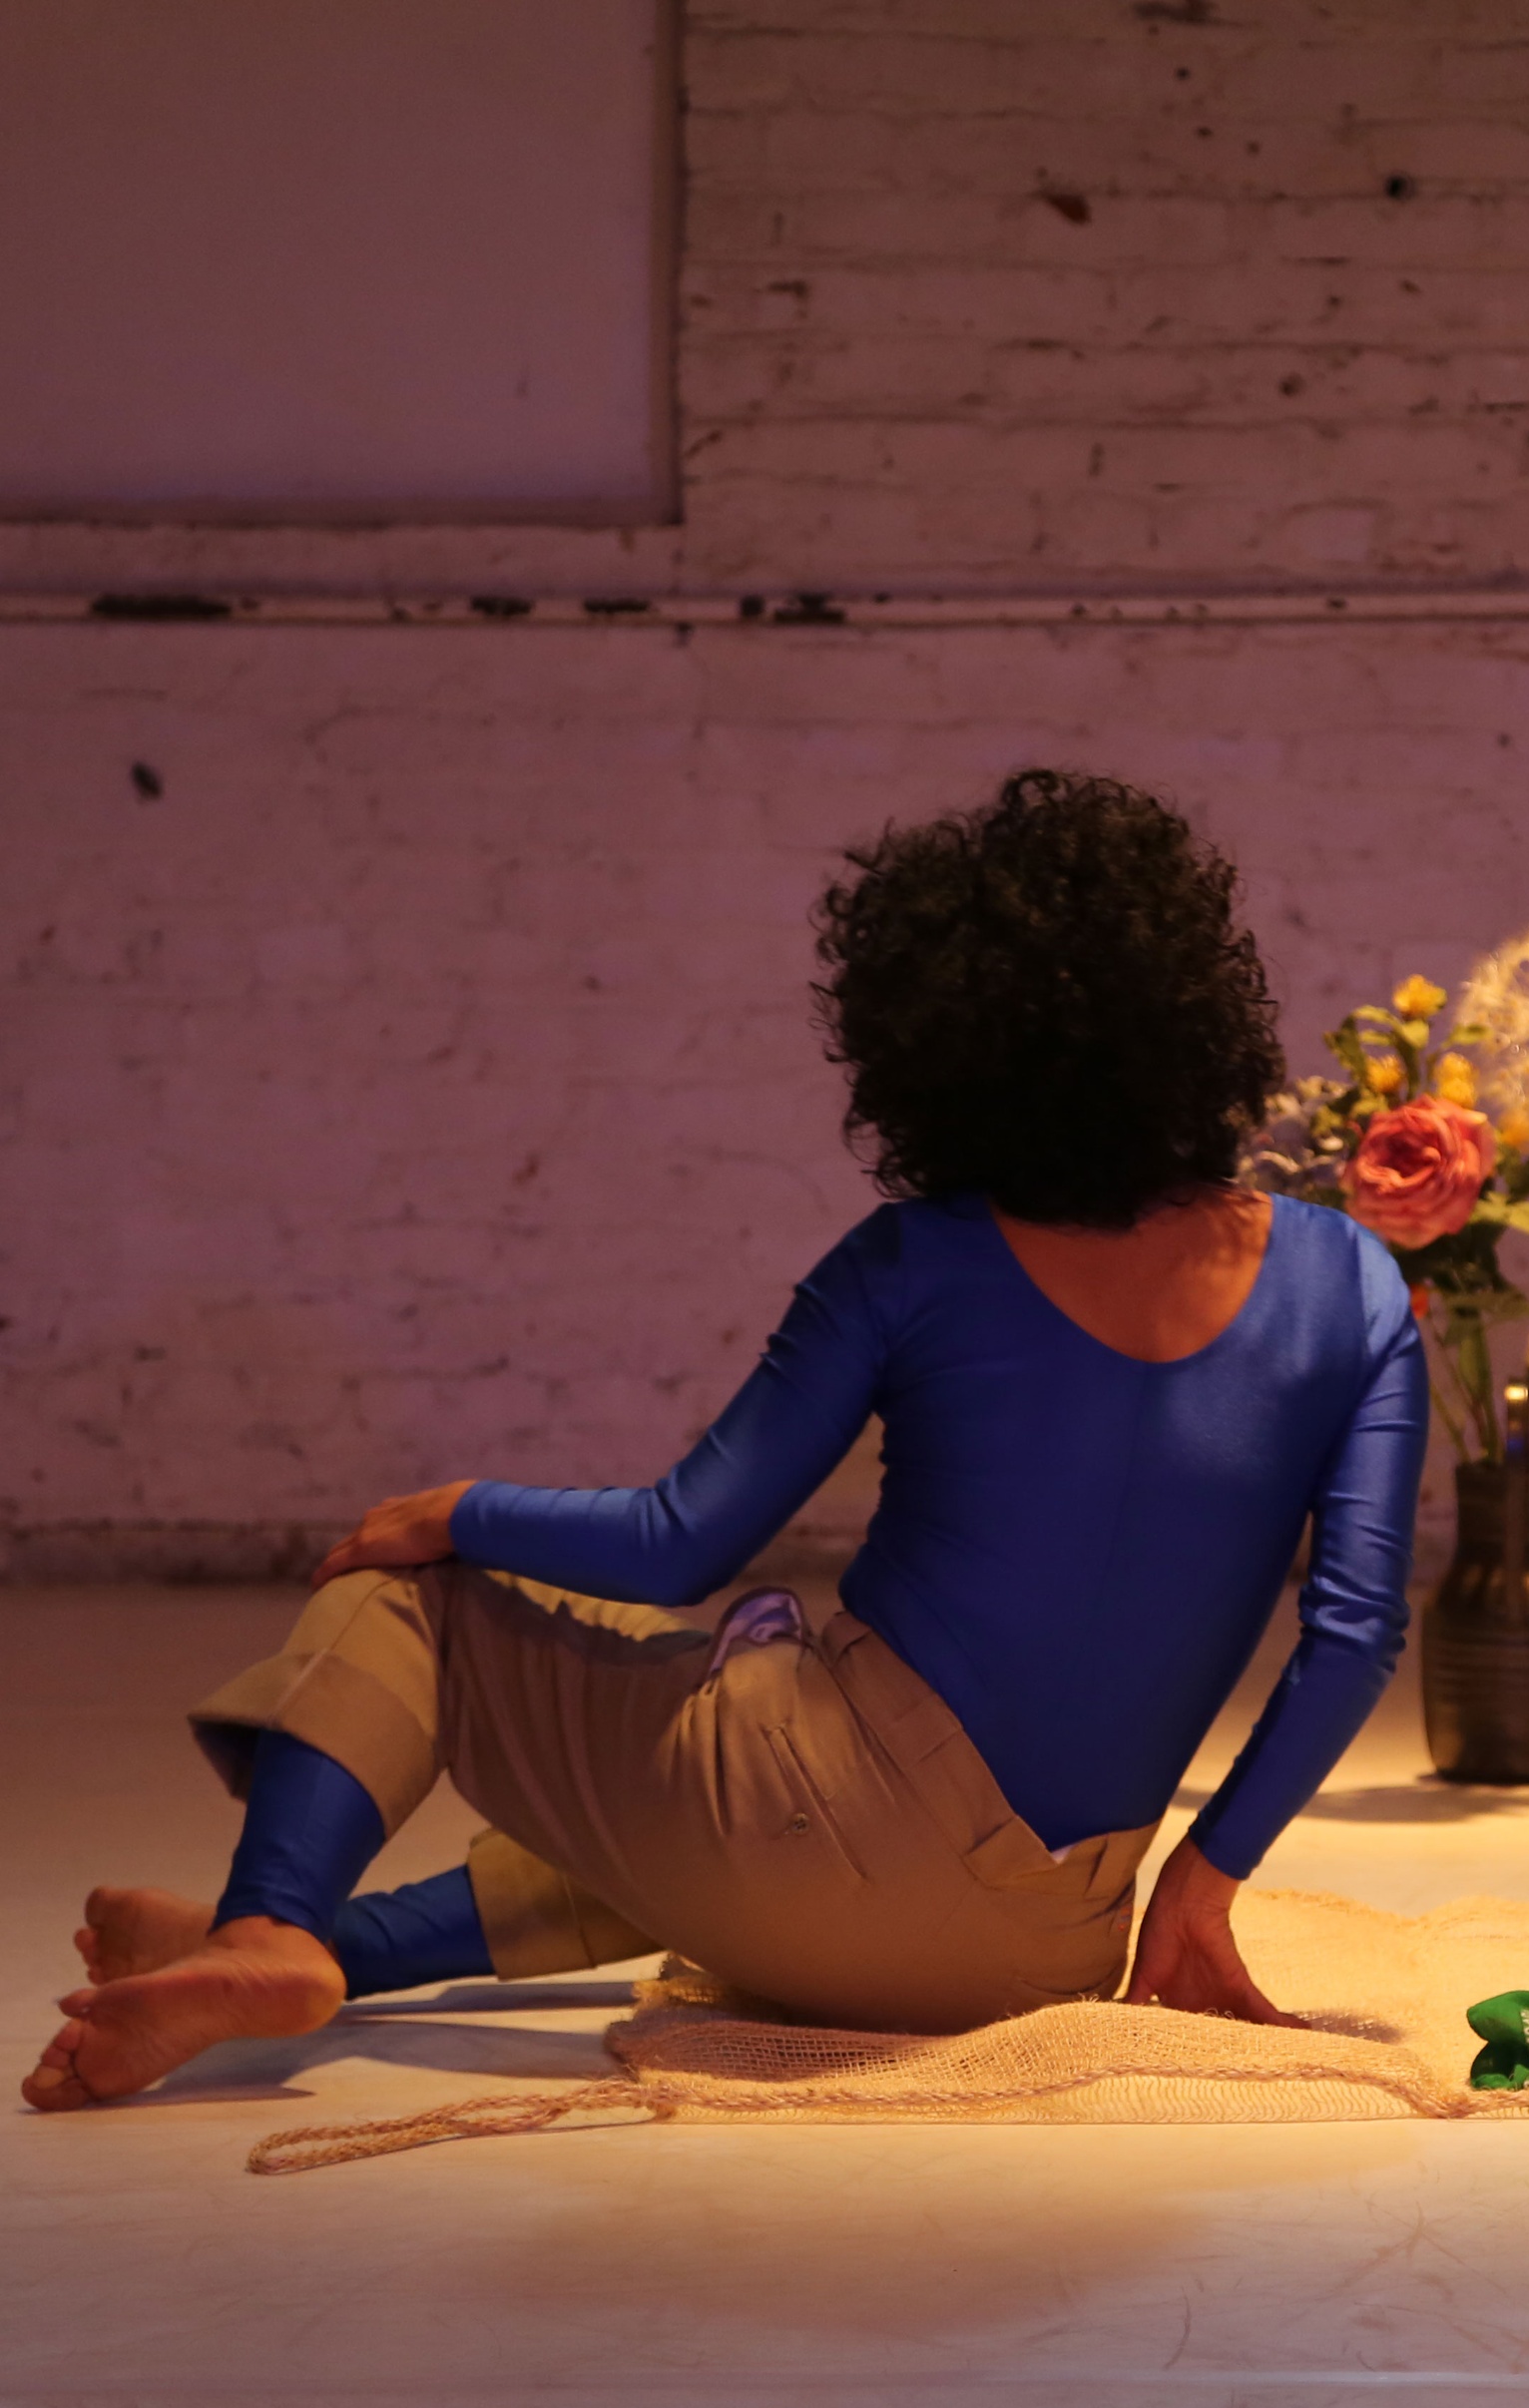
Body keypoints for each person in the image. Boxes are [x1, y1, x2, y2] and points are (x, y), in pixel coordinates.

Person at [24, 770, 1427, 2112]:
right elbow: (1354, 1634)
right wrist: (1200, 1884)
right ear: (1194, 1005)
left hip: (823, 1843)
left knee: (424, 1607)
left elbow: (679, 1539)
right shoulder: (1352, 1284)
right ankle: (310, 1945)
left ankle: (272, 1922)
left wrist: (457, 1509)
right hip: (1045, 1942)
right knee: (711, 1812)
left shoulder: (912, 1264)